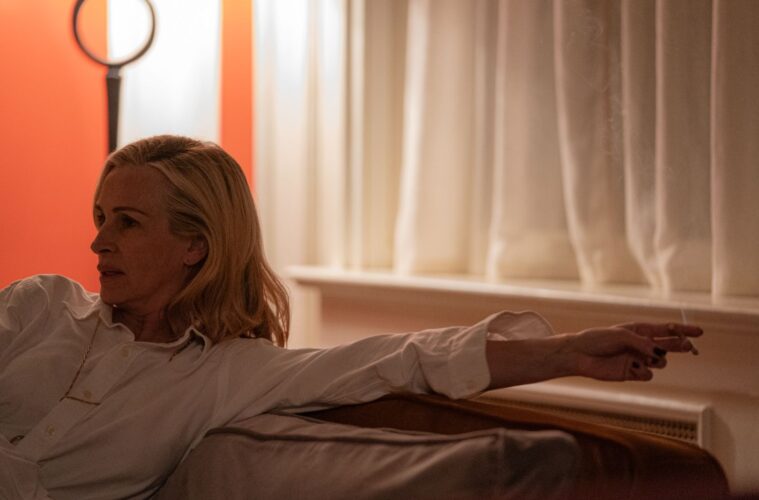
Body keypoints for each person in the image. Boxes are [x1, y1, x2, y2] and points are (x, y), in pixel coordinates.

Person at [0, 135, 701, 499]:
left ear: (196, 245)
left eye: (126, 222)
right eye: (99, 218)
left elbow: (402, 361)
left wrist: (569, 352)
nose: (98, 242)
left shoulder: (227, 373)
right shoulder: (40, 305)